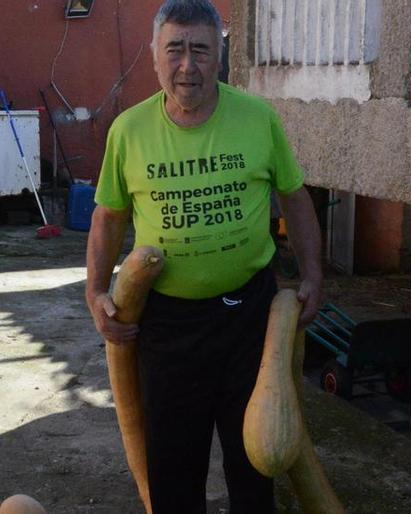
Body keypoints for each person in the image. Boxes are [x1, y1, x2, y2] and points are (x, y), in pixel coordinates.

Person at [84, 0, 322, 512]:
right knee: (173, 466)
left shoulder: (258, 119)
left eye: (200, 50)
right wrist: (96, 290)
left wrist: (313, 273)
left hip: (248, 317)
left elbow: (294, 196)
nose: (187, 65)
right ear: (154, 55)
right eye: (174, 49)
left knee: (255, 463)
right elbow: (108, 216)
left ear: (220, 55)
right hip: (168, 325)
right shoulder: (128, 130)